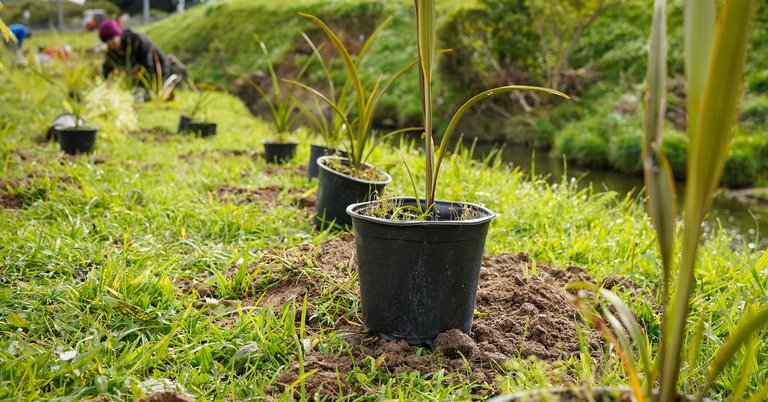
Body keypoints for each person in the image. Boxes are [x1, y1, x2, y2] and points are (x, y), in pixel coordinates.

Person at [98, 19, 172, 101]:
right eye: (109, 44)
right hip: (136, 77)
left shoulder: (138, 41)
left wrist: (141, 89)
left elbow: (148, 66)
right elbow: (107, 68)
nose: (112, 46)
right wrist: (106, 83)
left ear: (118, 35)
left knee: (148, 96)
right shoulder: (112, 50)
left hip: (157, 72)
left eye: (113, 42)